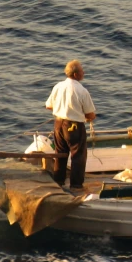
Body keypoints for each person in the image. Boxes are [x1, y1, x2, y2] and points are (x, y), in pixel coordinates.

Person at [46, 59, 97, 190]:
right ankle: (76, 185)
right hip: (74, 126)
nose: (84, 72)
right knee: (78, 155)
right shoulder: (82, 91)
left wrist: (62, 110)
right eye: (81, 71)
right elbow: (90, 115)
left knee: (60, 153)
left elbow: (48, 106)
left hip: (58, 124)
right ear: (75, 74)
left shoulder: (58, 86)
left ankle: (58, 181)